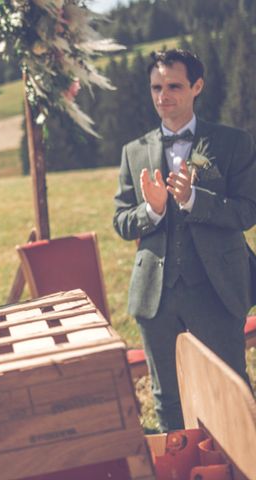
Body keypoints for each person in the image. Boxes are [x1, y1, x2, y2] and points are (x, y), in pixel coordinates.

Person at [113, 49, 256, 431]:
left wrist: (194, 200)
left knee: (230, 388)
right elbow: (122, 221)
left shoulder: (232, 143)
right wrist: (153, 211)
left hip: (217, 288)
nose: (163, 96)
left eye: (174, 86)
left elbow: (247, 211)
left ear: (197, 86)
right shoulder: (133, 152)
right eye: (156, 87)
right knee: (167, 395)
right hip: (156, 295)